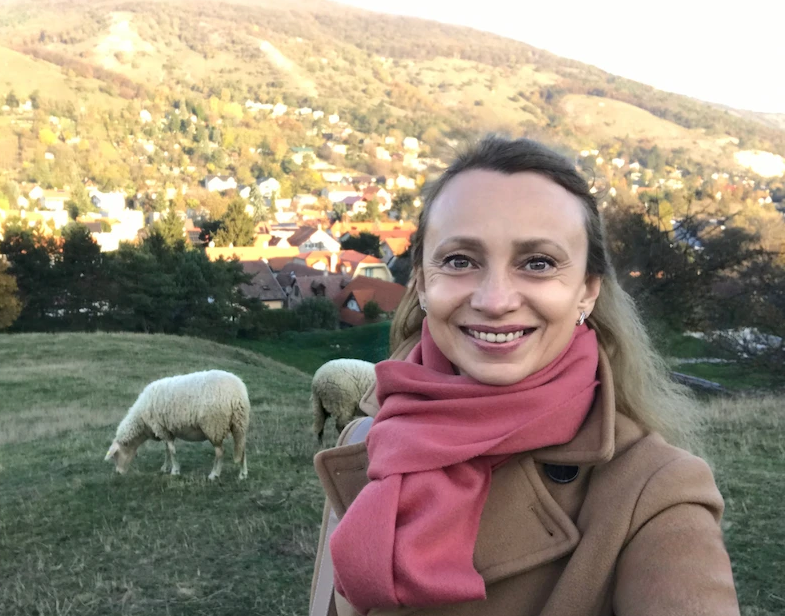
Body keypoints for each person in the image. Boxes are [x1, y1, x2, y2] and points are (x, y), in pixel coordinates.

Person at [309, 136, 739, 616]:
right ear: (422, 283)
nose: (495, 301)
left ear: (587, 292)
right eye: (459, 261)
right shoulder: (371, 435)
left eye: (538, 263)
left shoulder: (657, 494)